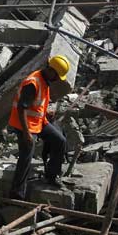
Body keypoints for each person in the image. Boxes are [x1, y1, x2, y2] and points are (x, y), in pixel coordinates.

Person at [8, 55, 70, 200]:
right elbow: (21, 109)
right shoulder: (33, 83)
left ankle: (52, 176)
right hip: (24, 125)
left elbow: (35, 104)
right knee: (26, 155)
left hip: (38, 122)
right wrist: (27, 134)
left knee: (59, 140)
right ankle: (16, 194)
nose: (57, 80)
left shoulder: (44, 80)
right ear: (51, 71)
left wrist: (45, 112)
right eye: (57, 76)